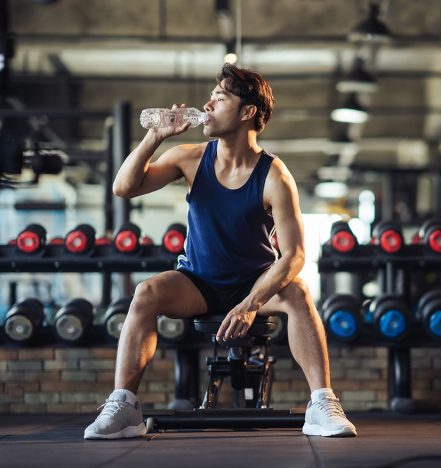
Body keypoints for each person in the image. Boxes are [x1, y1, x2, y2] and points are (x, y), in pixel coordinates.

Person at [84, 63, 357, 439]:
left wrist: (249, 305)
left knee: (298, 292)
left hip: (254, 286)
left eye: (219, 99)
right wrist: (155, 137)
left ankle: (323, 403)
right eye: (209, 98)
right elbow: (124, 187)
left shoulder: (275, 176)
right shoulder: (190, 157)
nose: (207, 106)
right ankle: (124, 405)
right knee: (145, 293)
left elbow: (293, 256)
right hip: (198, 282)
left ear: (247, 113)